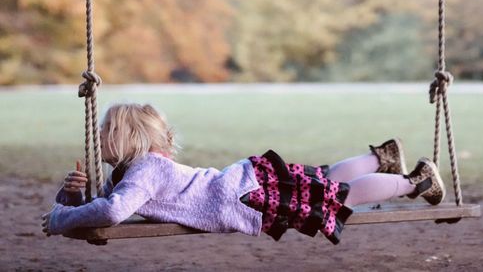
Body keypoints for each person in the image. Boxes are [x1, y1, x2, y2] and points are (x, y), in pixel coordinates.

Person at [41, 103, 445, 245]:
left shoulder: (143, 171)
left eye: (102, 134)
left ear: (124, 139)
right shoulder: (134, 171)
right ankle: (381, 158)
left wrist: (61, 219)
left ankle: (416, 181)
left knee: (336, 197)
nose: (96, 142)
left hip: (242, 198)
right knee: (322, 179)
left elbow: (111, 215)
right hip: (242, 182)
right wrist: (72, 197)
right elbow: (101, 212)